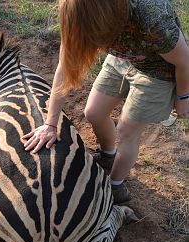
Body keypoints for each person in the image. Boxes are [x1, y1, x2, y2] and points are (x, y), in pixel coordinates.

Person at [22, 0, 189, 204]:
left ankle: (116, 186)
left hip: (157, 70)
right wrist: (50, 123)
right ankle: (109, 154)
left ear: (104, 19)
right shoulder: (78, 13)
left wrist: (182, 97)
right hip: (123, 58)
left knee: (127, 130)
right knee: (93, 112)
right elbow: (65, 67)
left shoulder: (152, 18)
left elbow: (183, 60)